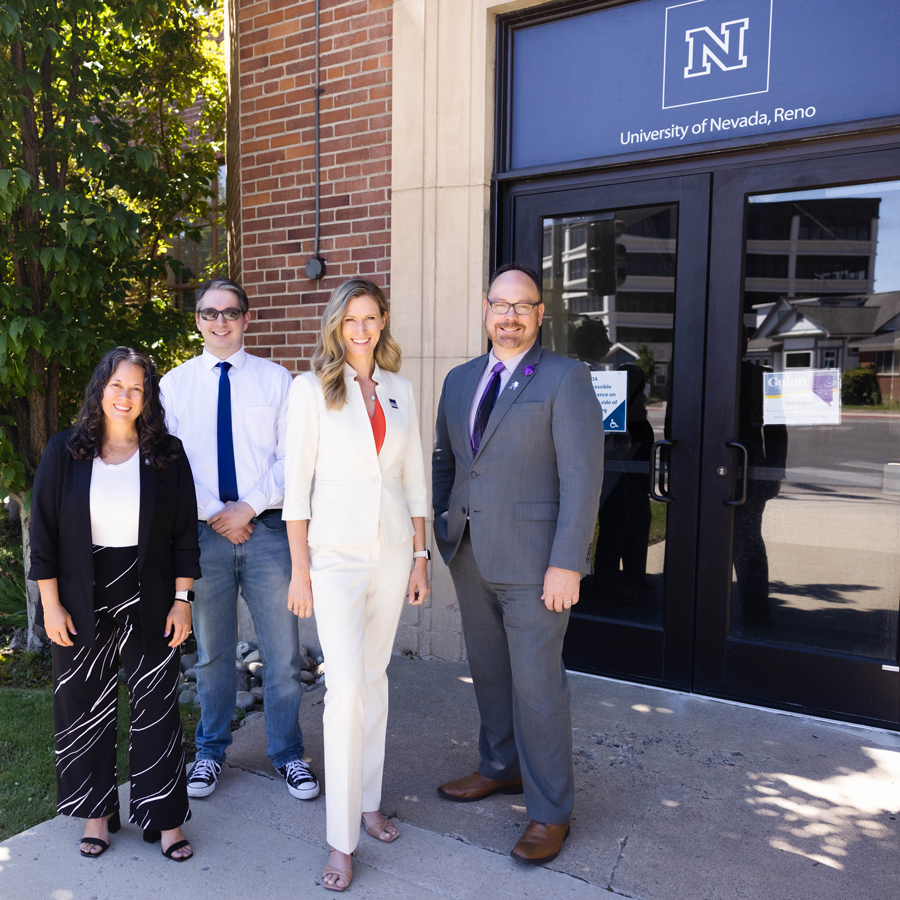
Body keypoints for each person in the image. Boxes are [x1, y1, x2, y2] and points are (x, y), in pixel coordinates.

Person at [432, 263, 604, 865]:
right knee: (490, 673)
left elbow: (583, 480)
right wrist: (442, 523)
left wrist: (568, 563)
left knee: (538, 688)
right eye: (500, 305)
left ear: (539, 314)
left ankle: (550, 810)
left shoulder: (564, 377)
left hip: (536, 564)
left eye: (522, 306)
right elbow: (447, 462)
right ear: (485, 310)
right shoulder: (458, 380)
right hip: (469, 553)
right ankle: (500, 766)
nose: (510, 317)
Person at [282, 278, 430, 892]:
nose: (362, 329)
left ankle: (369, 802)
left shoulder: (399, 390)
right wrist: (299, 570)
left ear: (383, 322)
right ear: (337, 325)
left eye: (371, 318)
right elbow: (296, 489)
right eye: (351, 319)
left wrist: (421, 556)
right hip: (334, 560)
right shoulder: (312, 390)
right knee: (345, 689)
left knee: (375, 679)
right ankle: (340, 840)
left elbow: (415, 479)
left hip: (393, 551)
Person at [29, 347, 200, 861]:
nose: (125, 397)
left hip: (148, 592)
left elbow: (183, 537)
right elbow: (44, 535)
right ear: (99, 389)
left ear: (147, 398)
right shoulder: (65, 451)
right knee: (83, 706)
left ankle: (166, 821)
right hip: (81, 594)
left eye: (136, 388)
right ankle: (96, 815)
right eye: (116, 386)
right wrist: (51, 605)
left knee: (157, 707)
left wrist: (181, 600)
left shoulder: (167, 454)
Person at [160, 278, 317, 801]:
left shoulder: (278, 382)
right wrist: (218, 514)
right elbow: (169, 463)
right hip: (203, 537)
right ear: (198, 321)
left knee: (283, 655)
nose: (220, 322)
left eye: (231, 313)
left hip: (268, 531)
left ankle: (287, 753)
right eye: (210, 313)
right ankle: (209, 751)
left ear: (247, 320)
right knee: (212, 654)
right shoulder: (175, 386)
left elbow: (291, 460)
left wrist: (247, 508)